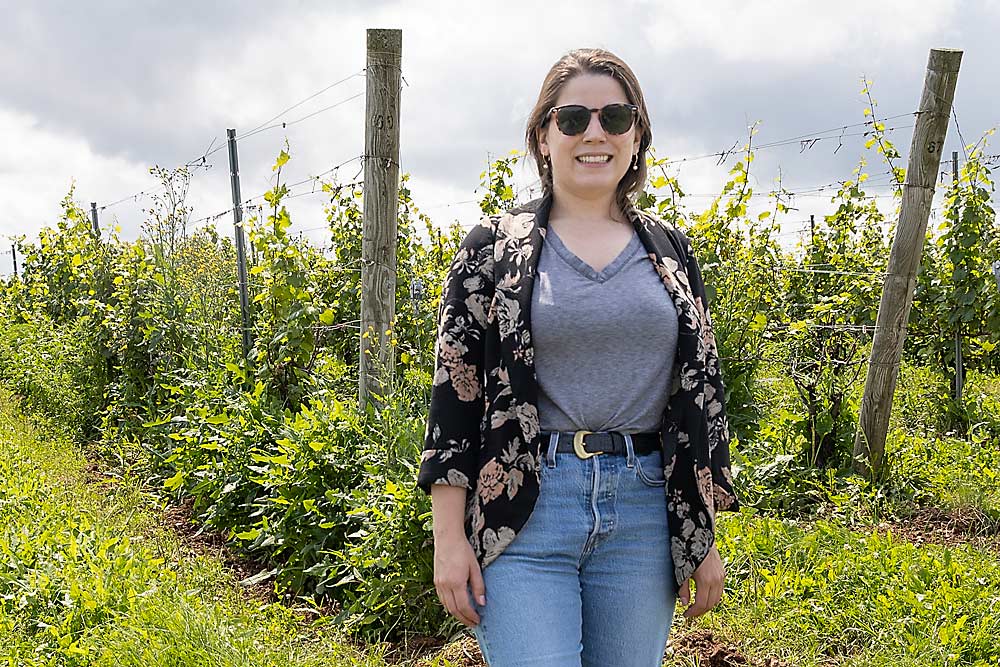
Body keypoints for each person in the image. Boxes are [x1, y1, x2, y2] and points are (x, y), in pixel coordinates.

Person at [416, 47, 741, 667]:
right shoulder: (493, 248)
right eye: (572, 119)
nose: (595, 133)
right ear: (543, 137)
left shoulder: (671, 252)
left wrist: (701, 534)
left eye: (615, 118)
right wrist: (447, 538)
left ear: (636, 134)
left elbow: (701, 401)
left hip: (645, 512)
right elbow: (454, 400)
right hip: (527, 508)